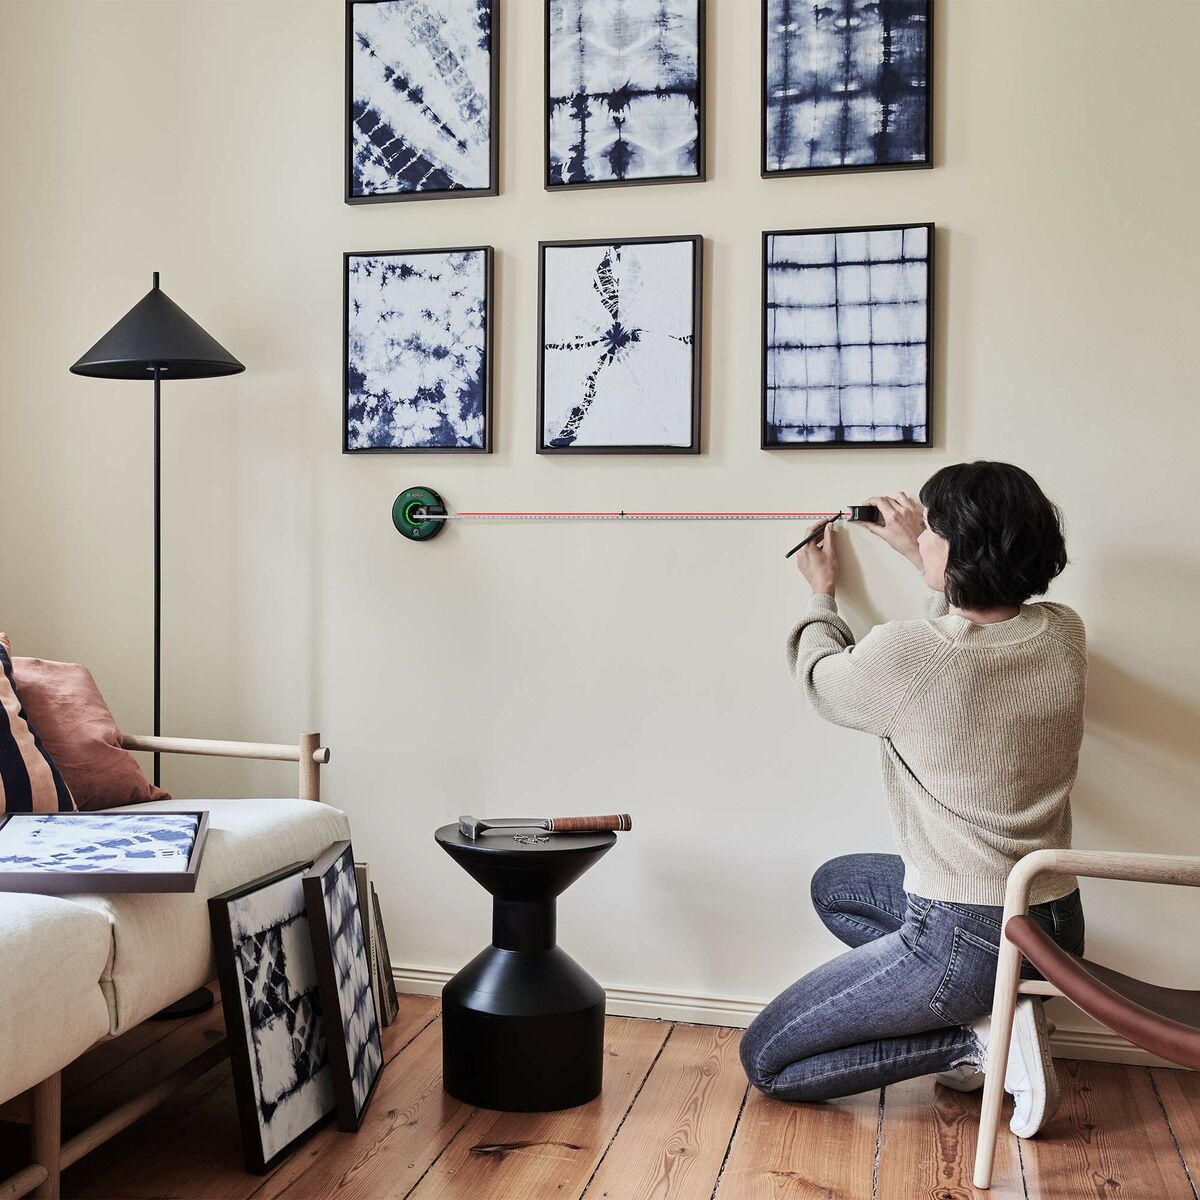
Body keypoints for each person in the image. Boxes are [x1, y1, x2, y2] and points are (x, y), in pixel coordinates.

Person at [740, 461, 1086, 1138]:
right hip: (1053, 924)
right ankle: (1001, 1007)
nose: (918, 533)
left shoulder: (907, 655)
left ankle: (977, 1041)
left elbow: (821, 678)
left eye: (932, 528)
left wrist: (821, 595)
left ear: (960, 548)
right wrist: (920, 552)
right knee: (839, 885)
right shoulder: (1063, 633)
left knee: (767, 1062)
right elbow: (964, 640)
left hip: (965, 935)